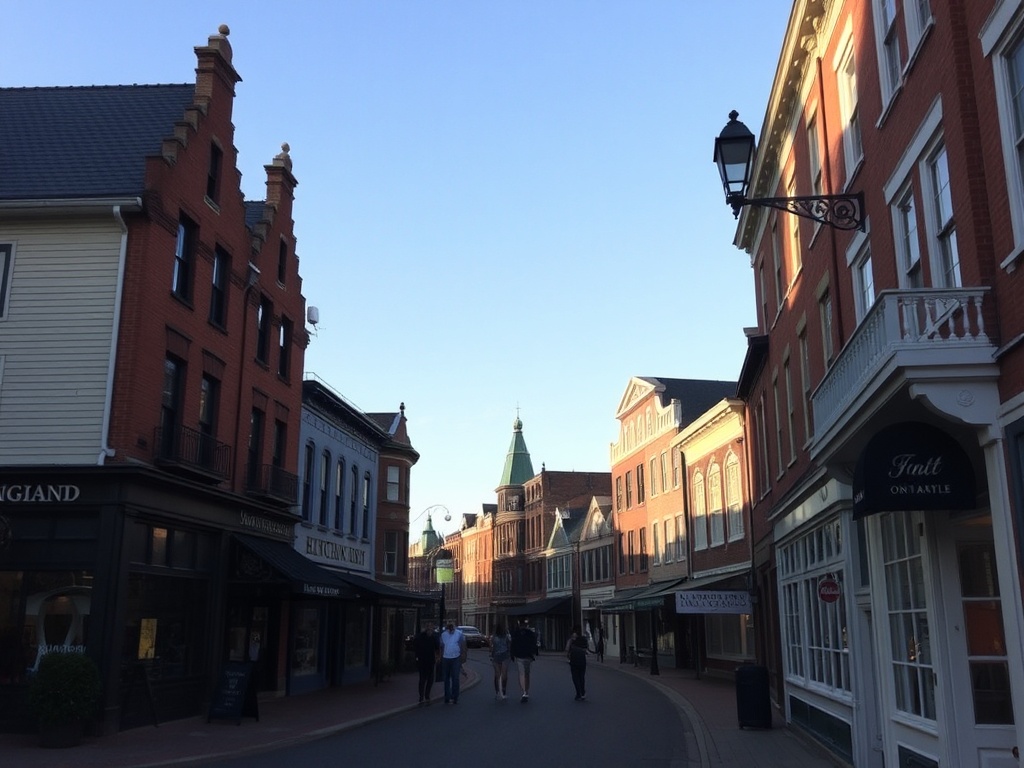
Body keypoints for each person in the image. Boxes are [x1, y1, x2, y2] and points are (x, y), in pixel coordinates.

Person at [411, 621, 440, 706]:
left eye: (431, 627)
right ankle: (423, 696)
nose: (430, 629)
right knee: (424, 679)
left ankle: (425, 696)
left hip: (428, 661)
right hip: (424, 661)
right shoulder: (422, 637)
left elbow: (437, 647)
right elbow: (415, 646)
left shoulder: (430, 637)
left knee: (427, 679)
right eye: (429, 627)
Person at [510, 617, 538, 702]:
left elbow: (513, 644)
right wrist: (534, 652)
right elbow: (534, 643)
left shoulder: (516, 633)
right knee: (527, 673)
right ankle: (526, 691)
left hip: (519, 656)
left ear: (519, 625)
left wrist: (512, 654)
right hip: (528, 656)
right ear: (526, 625)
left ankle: (524, 692)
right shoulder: (530, 633)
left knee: (522, 673)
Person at [439, 621, 466, 704]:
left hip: (456, 657)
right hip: (446, 658)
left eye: (452, 627)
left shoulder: (459, 634)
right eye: (449, 628)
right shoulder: (443, 635)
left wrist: (463, 656)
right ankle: (447, 696)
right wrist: (441, 656)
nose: (451, 629)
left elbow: (462, 645)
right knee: (446, 678)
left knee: (455, 678)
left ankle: (455, 696)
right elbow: (441, 646)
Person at [489, 622, 511, 701]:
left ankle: (498, 691)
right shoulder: (507, 637)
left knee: (497, 675)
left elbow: (491, 648)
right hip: (504, 656)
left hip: (496, 656)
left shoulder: (493, 637)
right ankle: (503, 691)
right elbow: (509, 646)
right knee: (503, 674)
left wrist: (491, 654)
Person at [565, 624, 589, 701]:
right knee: (582, 676)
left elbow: (567, 649)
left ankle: (578, 693)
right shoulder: (583, 639)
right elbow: (586, 649)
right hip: (582, 660)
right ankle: (583, 692)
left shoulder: (571, 640)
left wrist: (568, 657)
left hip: (574, 660)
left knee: (575, 677)